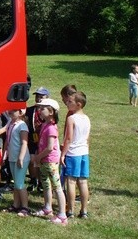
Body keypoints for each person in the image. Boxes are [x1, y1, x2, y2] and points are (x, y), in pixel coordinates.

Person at [31, 98, 67, 225]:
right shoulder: (45, 125)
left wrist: (38, 157)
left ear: (51, 112)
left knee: (57, 187)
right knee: (46, 185)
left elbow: (50, 147)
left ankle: (62, 215)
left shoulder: (51, 128)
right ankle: (47, 208)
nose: (40, 111)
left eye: (43, 108)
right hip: (44, 160)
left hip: (50, 161)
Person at [60, 90, 91, 218]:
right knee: (83, 182)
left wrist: (63, 154)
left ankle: (71, 210)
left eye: (70, 101)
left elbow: (68, 139)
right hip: (84, 153)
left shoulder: (71, 118)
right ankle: (84, 211)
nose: (67, 103)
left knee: (71, 182)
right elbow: (88, 138)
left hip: (73, 153)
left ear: (79, 104)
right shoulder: (87, 118)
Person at [3, 108, 30, 216]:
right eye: (10, 109)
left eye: (14, 110)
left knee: (19, 184)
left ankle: (25, 207)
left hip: (21, 158)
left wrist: (21, 158)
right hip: (12, 157)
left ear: (20, 113)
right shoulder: (10, 122)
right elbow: (7, 140)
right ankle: (16, 204)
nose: (10, 111)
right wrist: (5, 153)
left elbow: (24, 143)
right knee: (15, 183)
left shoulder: (22, 125)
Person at [25, 86, 49, 192]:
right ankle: (33, 179)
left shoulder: (49, 111)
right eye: (37, 96)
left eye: (41, 96)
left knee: (41, 161)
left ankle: (41, 182)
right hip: (31, 138)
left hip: (43, 140)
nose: (39, 98)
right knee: (31, 160)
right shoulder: (30, 110)